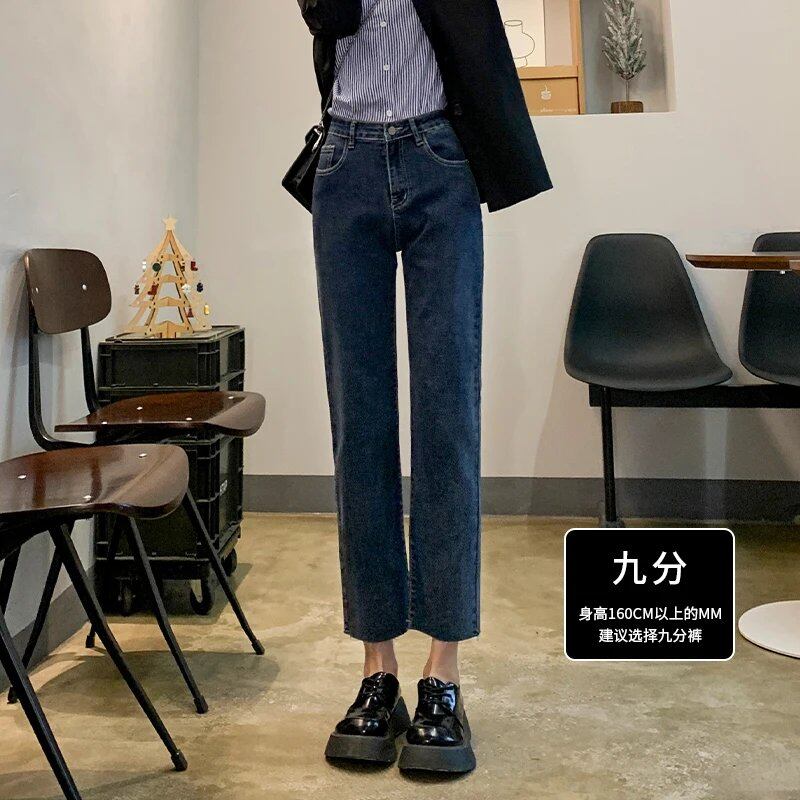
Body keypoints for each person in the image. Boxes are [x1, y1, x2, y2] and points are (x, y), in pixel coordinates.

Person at [297, 0, 551, 774]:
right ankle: (378, 669)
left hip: (440, 156)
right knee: (360, 421)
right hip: (344, 163)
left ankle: (444, 673)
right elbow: (327, 15)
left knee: (447, 417)